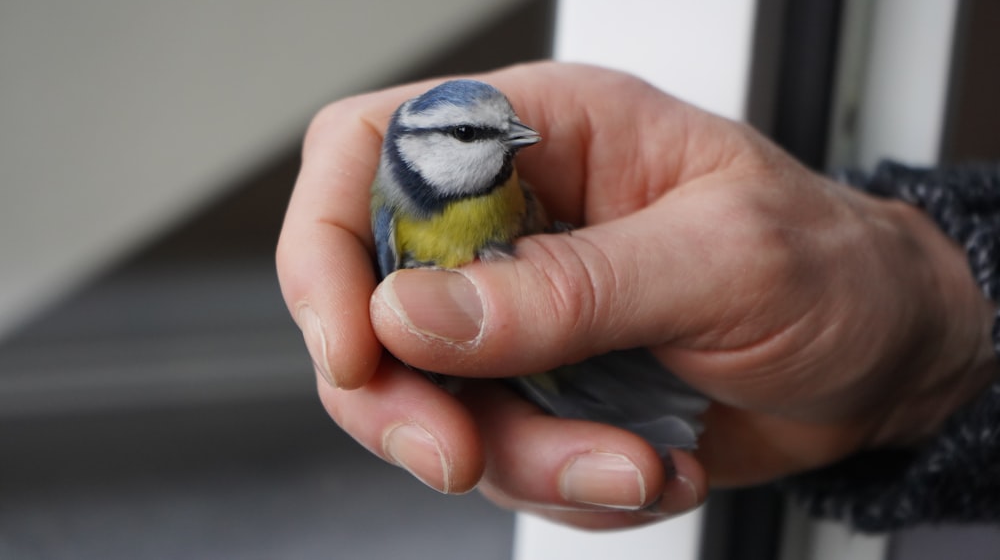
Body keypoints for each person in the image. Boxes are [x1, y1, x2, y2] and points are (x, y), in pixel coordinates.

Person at [275, 62, 999, 531]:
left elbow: (536, 238)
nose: (512, 141)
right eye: (472, 135)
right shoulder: (396, 211)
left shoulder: (507, 185)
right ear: (417, 147)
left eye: (504, 126)